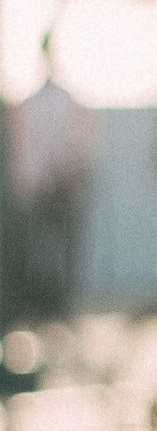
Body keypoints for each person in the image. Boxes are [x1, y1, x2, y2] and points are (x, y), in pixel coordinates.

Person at [8, 34, 96, 329]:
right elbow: (24, 148)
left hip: (62, 188)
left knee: (63, 249)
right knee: (39, 251)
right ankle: (42, 307)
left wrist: (69, 175)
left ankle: (60, 306)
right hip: (41, 190)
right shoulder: (33, 102)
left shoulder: (64, 101)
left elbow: (78, 145)